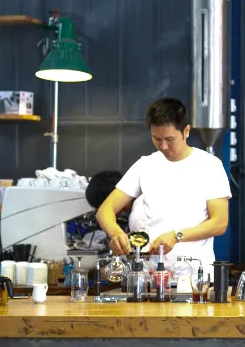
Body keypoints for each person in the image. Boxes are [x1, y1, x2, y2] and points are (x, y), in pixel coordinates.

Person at [96, 98, 230, 272]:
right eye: (156, 139)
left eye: (169, 139)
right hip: (152, 275)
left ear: (186, 131)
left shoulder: (209, 165)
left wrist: (177, 236)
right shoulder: (145, 165)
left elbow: (219, 223)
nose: (163, 146)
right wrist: (116, 234)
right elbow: (104, 210)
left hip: (194, 276)